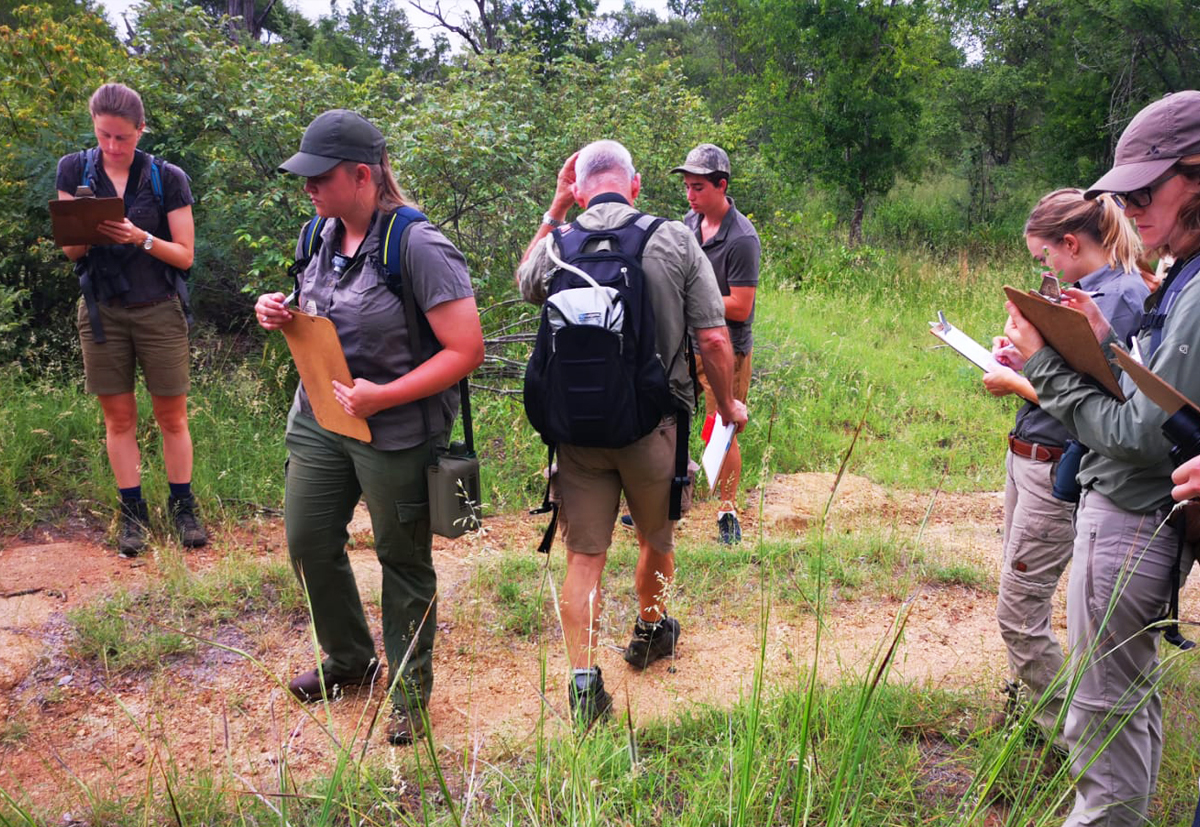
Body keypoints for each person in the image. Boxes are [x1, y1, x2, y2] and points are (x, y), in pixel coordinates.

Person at [255, 110, 484, 745]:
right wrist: (278, 311)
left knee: (401, 558)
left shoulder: (418, 245)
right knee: (307, 540)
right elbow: (319, 310)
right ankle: (351, 661)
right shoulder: (317, 235)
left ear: (362, 175)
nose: (308, 189)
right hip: (321, 419)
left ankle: (410, 692)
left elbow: (466, 349)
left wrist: (385, 397)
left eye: (318, 178)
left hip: (397, 430)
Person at [1004, 90, 1200, 826]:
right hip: (1132, 509)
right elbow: (1154, 394)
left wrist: (1045, 363)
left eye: (1148, 189)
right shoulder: (1178, 275)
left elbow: (1142, 433)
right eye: (1127, 192)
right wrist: (1098, 343)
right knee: (1124, 706)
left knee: (1101, 717)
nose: (1134, 207)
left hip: (1131, 515)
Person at [516, 140, 748, 726]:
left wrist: (555, 209)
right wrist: (728, 405)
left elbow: (525, 284)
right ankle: (649, 631)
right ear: (636, 185)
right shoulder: (673, 238)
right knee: (656, 539)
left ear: (580, 186)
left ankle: (583, 683)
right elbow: (715, 340)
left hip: (576, 434)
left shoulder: (560, 242)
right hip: (652, 426)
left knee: (584, 555)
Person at [981, 188, 1148, 742]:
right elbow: (1068, 376)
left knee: (1020, 611)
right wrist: (1022, 359)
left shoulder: (1118, 301)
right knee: (1019, 592)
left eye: (1045, 256)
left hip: (1058, 463)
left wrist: (1017, 380)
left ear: (1071, 243)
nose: (1046, 268)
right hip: (1030, 453)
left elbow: (1107, 402)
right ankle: (1030, 712)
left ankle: (1069, 737)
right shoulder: (1087, 292)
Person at [55, 82, 206, 557]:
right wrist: (89, 229)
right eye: (104, 136)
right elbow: (70, 251)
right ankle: (132, 513)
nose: (113, 147)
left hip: (158, 309)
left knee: (171, 415)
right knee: (118, 418)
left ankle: (183, 506)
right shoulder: (74, 169)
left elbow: (184, 257)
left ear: (141, 130)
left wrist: (139, 237)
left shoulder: (167, 177)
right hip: (102, 310)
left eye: (123, 137)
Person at [671, 143, 760, 544]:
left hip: (727, 345)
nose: (690, 196)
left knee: (721, 427)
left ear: (721, 186)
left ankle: (727, 513)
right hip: (684, 342)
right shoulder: (689, 224)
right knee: (668, 421)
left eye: (699, 187)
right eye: (687, 187)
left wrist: (689, 298)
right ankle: (663, 502)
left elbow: (740, 307)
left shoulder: (741, 238)